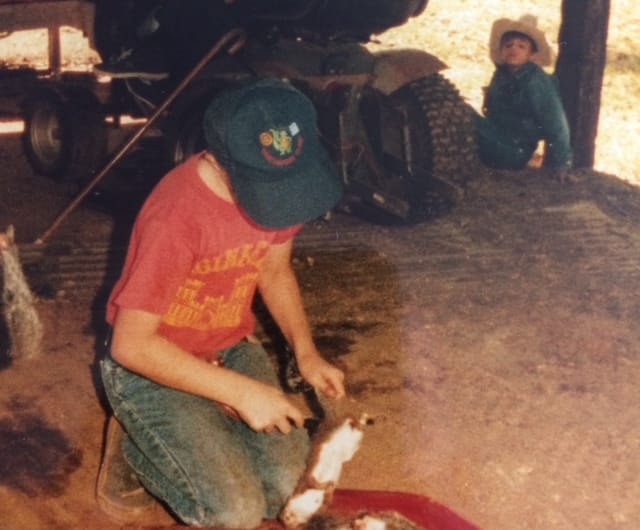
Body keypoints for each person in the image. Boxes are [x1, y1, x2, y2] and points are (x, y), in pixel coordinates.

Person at [97, 78, 346, 527]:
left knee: (287, 495)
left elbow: (274, 270)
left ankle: (196, 429)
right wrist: (240, 392)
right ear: (217, 159)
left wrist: (306, 354)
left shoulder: (277, 192)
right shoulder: (175, 216)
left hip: (228, 347)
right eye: (269, 190)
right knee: (235, 513)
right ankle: (136, 442)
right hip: (152, 365)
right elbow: (130, 347)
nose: (282, 206)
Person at [474, 15, 573, 173]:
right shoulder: (502, 75)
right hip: (495, 136)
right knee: (457, 110)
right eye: (508, 45)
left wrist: (562, 164)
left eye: (521, 46)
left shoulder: (535, 81)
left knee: (462, 117)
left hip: (513, 150)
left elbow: (556, 123)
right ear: (501, 51)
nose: (514, 49)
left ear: (532, 55)